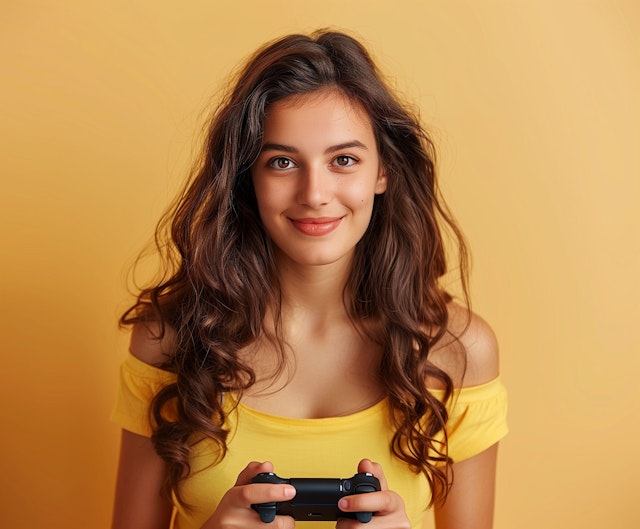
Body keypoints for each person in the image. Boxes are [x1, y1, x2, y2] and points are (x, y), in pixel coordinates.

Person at [111, 29, 508, 529]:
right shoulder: (168, 338)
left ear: (382, 171)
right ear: (246, 179)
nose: (315, 193)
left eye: (344, 160)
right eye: (282, 162)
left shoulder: (459, 350)